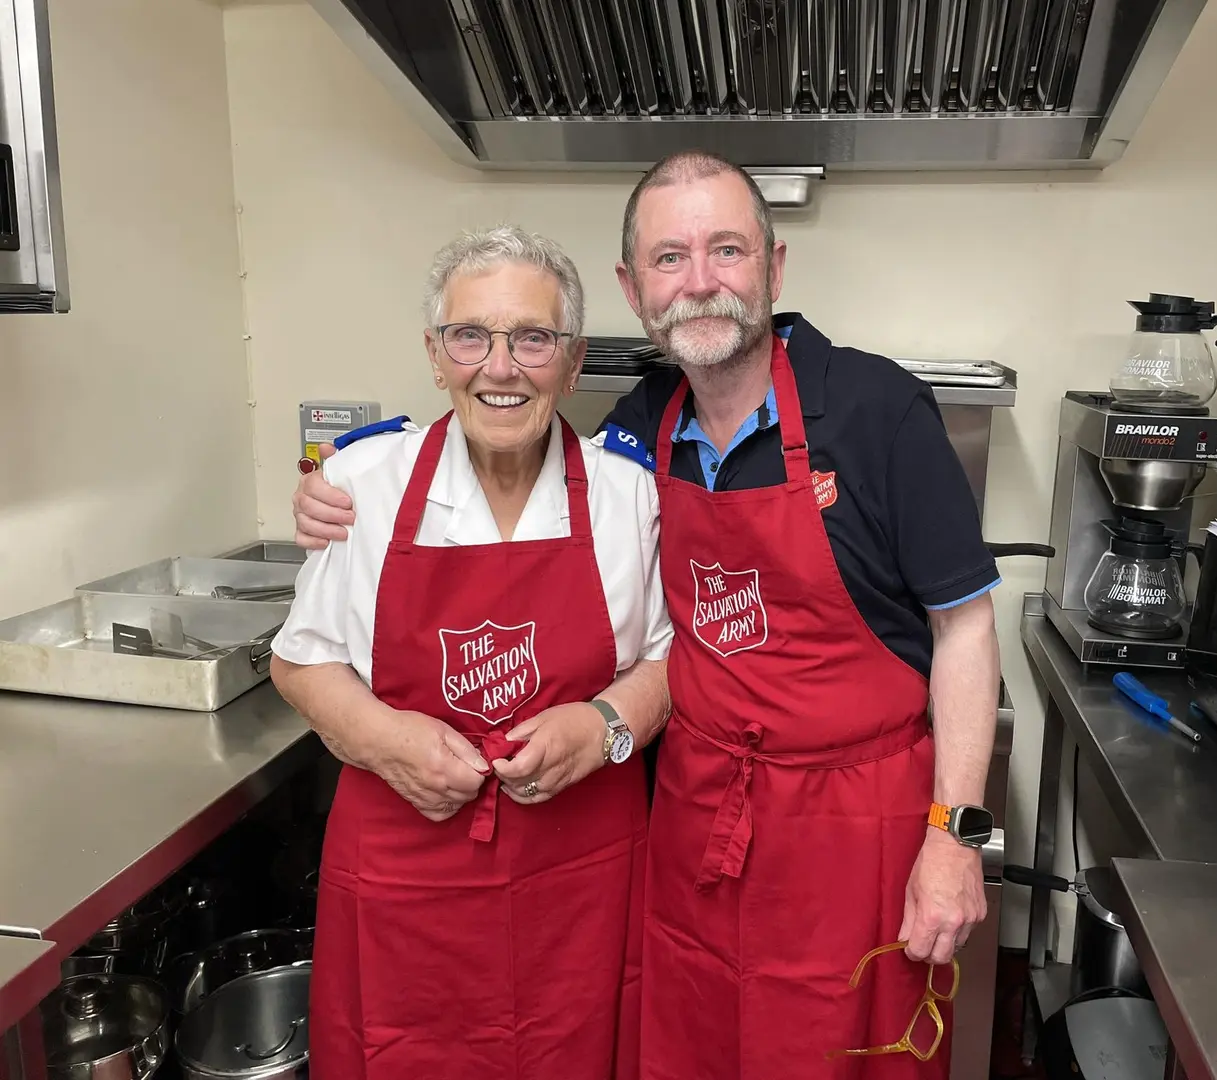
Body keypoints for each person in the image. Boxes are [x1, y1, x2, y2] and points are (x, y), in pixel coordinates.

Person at [292, 152, 1002, 1080]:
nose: (700, 282)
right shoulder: (643, 427)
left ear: (774, 269)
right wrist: (323, 489)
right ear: (634, 289)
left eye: (726, 251)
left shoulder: (878, 412)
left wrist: (956, 838)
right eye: (670, 258)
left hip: (852, 832)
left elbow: (967, 630)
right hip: (697, 832)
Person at [270, 224, 672, 1080]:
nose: (500, 367)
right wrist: (386, 741)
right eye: (470, 336)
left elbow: (668, 667)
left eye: (533, 338)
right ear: (435, 353)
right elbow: (300, 659)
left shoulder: (629, 493)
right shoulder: (361, 487)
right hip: (404, 882)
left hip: (582, 885)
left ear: (571, 363)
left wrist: (602, 726)